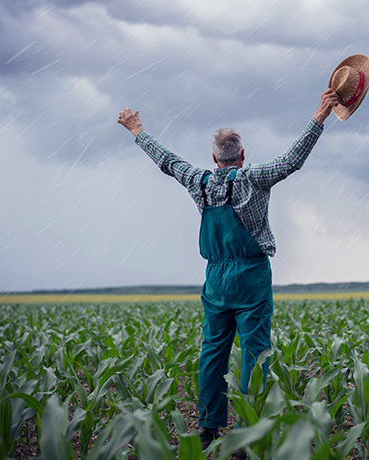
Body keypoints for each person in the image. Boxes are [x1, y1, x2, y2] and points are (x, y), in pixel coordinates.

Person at [117, 88, 340, 451]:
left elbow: (168, 161)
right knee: (255, 354)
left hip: (216, 280)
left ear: (214, 158)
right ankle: (246, 434)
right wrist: (320, 116)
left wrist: (137, 130)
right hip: (251, 276)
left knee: (212, 353)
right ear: (242, 155)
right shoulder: (253, 178)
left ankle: (208, 429)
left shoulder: (199, 181)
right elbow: (292, 160)